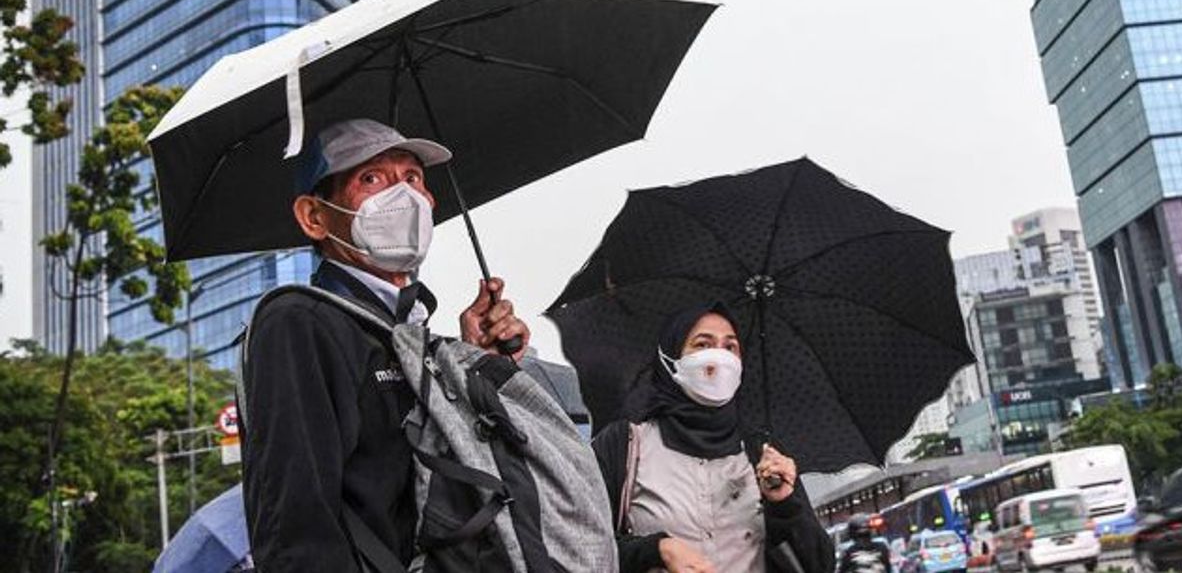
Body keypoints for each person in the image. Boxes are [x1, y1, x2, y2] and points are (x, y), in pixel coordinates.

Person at [240, 118, 531, 571]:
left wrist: (478, 366)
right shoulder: (299, 324)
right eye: (371, 178)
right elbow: (296, 518)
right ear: (314, 217)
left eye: (412, 178)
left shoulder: (412, 332)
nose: (404, 196)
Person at [591, 302, 835, 573]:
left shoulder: (761, 453)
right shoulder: (624, 446)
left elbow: (819, 566)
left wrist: (784, 505)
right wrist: (655, 550)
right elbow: (583, 544)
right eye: (703, 344)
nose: (719, 357)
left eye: (730, 347)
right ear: (669, 358)